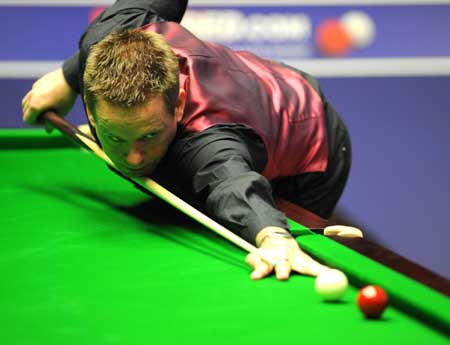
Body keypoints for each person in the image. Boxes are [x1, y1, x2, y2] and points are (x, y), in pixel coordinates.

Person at [22, 0, 351, 281]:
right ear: (91, 113)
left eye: (149, 135)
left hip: (310, 142)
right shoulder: (107, 34)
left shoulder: (208, 142)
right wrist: (68, 77)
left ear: (178, 105)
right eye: (116, 137)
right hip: (251, 84)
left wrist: (273, 235)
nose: (134, 158)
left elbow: (232, 184)